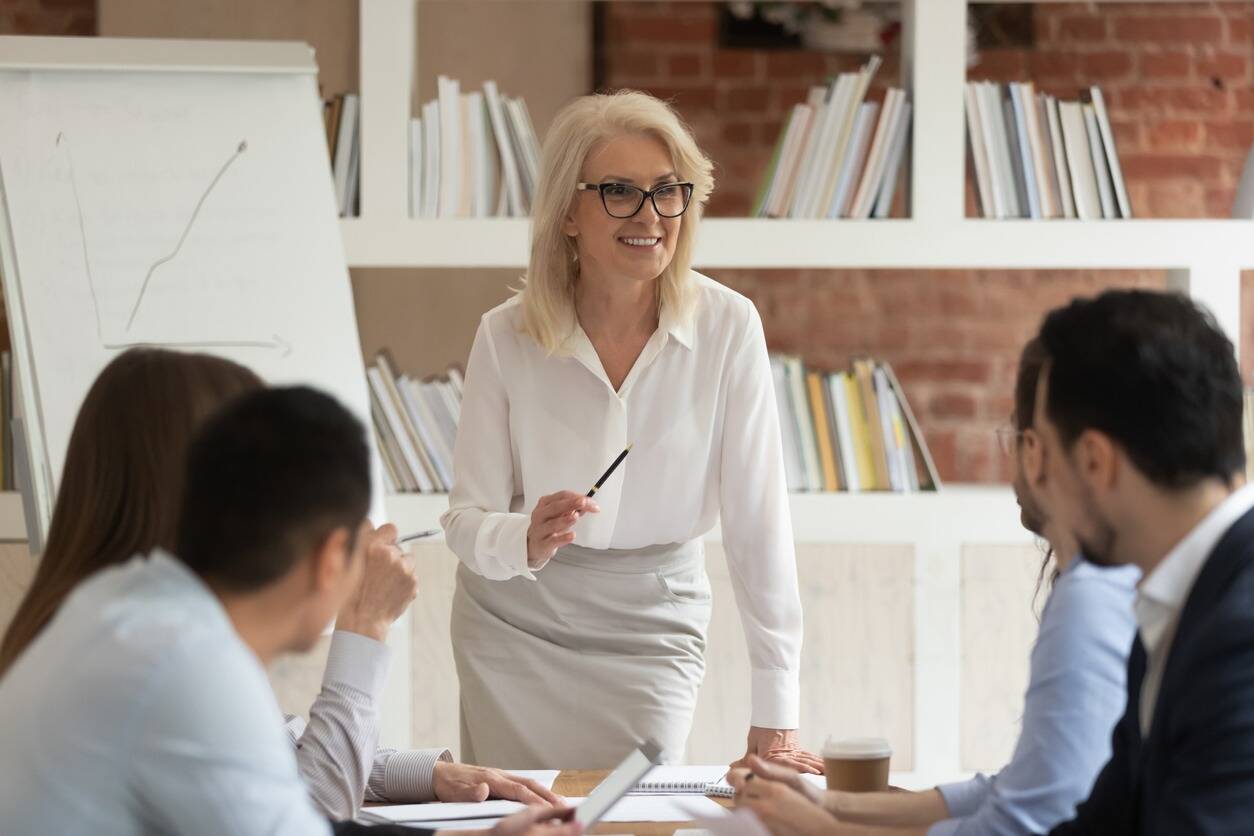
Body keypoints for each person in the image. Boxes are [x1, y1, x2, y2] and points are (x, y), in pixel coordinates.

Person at [0, 349, 559, 819]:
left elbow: (273, 755)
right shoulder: (171, 655)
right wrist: (364, 624)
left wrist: (425, 774)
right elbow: (312, 806)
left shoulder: (117, 612)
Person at [442, 90, 814, 771]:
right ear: (568, 214)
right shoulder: (504, 337)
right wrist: (521, 535)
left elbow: (760, 525)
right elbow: (464, 522)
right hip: (513, 627)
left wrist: (777, 708)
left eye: (667, 191)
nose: (649, 215)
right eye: (619, 191)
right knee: (522, 820)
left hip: (655, 627)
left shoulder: (729, 328)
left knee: (635, 814)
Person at [728, 336, 1140, 835]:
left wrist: (822, 828)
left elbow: (1017, 823)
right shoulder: (1100, 588)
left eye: (1014, 435)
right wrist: (832, 804)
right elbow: (1016, 789)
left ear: (1034, 452)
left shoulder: (1089, 602)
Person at [1031, 290, 1254, 834]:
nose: (1039, 482)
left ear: (1093, 461)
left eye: (1043, 451)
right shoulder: (1177, 603)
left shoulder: (1239, 636)